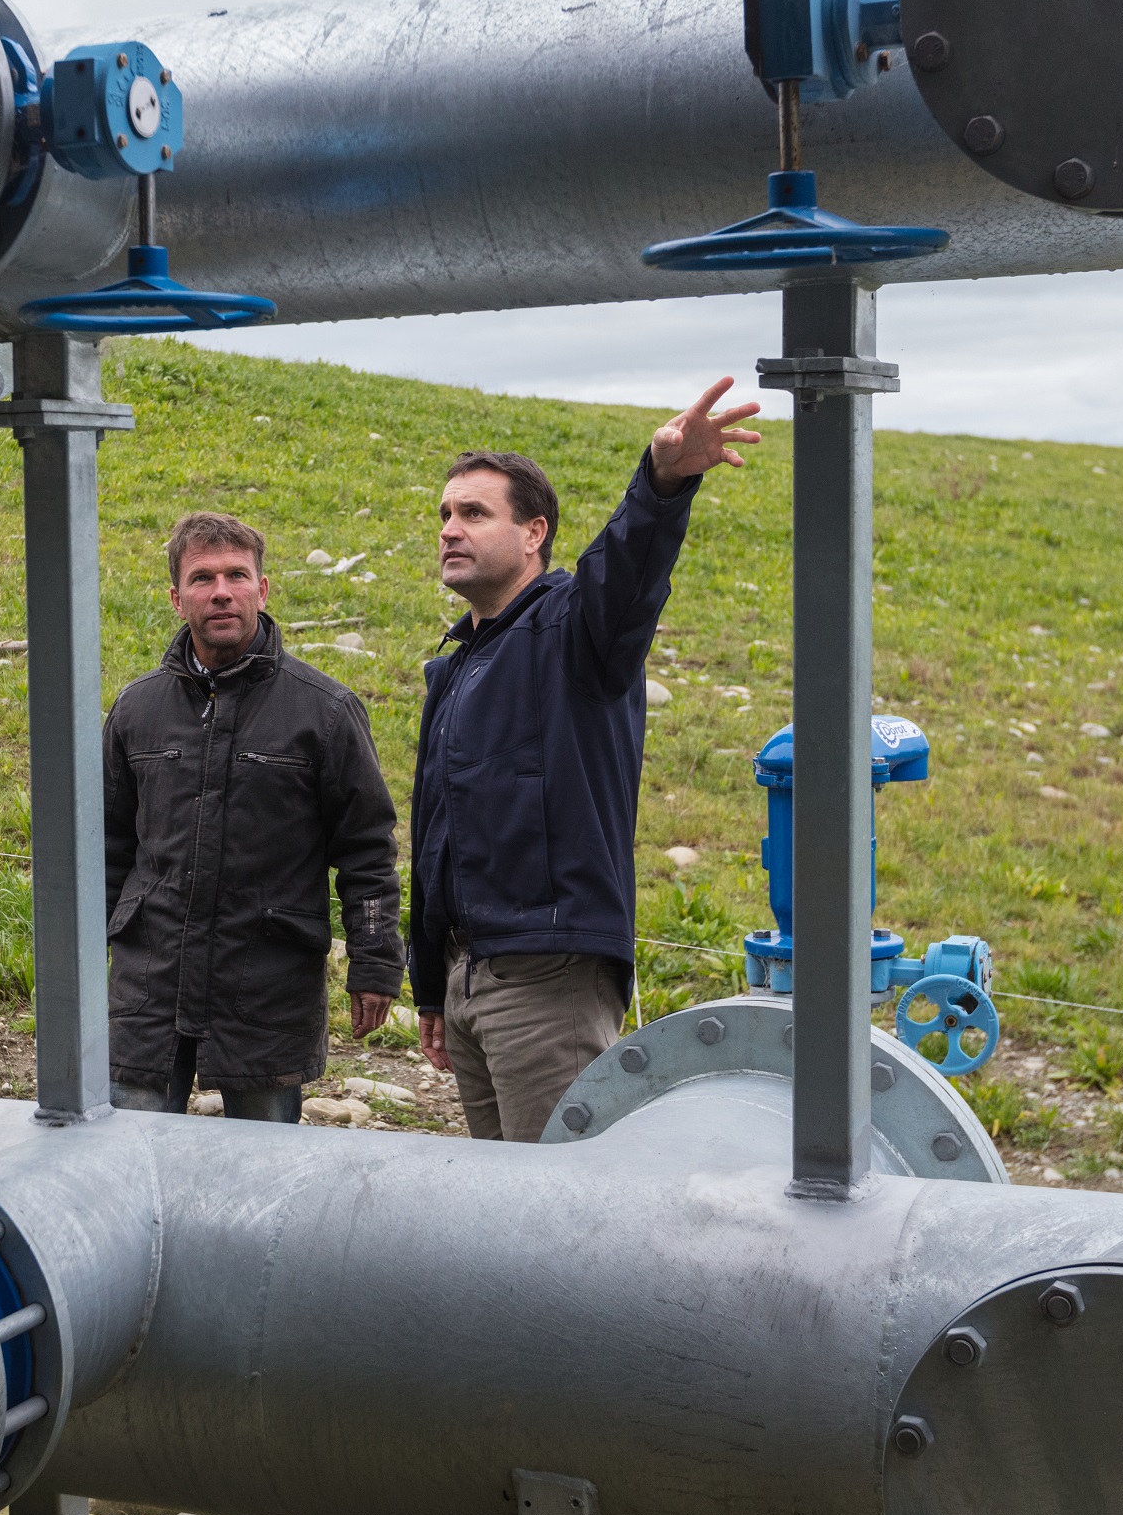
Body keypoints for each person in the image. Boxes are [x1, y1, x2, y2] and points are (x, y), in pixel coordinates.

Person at [407, 380, 762, 1141]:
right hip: (470, 981)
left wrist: (663, 481)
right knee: (502, 1217)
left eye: (474, 512)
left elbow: (626, 570)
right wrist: (433, 983)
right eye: (444, 514)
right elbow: (435, 835)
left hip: (547, 981)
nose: (449, 529)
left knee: (559, 1214)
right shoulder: (457, 669)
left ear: (534, 533)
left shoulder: (577, 634)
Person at [104, 510, 405, 1120]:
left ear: (262, 589)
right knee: (125, 1163)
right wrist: (83, 957)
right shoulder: (137, 710)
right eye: (202, 578)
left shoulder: (324, 712)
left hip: (266, 986)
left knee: (262, 1174)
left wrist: (374, 961)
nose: (221, 591)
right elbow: (107, 845)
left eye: (237, 575)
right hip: (149, 985)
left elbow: (367, 847)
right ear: (175, 597)